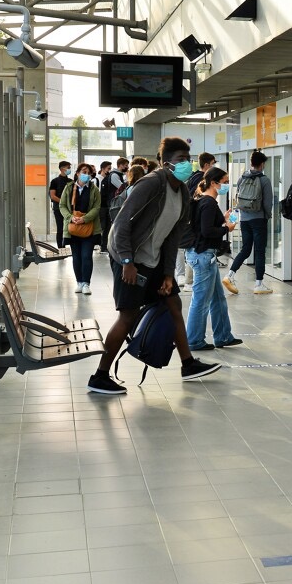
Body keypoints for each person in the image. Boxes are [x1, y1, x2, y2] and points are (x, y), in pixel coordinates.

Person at [87, 137, 221, 395]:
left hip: (154, 260)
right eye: (180, 159)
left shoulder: (181, 190)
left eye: (187, 158)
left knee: (173, 304)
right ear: (164, 162)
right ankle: (100, 376)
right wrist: (126, 261)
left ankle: (188, 364)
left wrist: (169, 273)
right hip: (130, 259)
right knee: (128, 315)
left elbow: (173, 237)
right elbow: (123, 223)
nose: (186, 163)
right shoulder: (151, 184)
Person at [185, 167, 242, 353]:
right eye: (224, 182)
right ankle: (193, 340)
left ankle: (223, 335)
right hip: (203, 256)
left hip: (202, 254)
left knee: (217, 298)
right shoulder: (208, 203)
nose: (226, 185)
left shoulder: (202, 200)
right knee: (201, 300)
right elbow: (207, 231)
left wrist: (223, 219)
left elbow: (205, 225)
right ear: (213, 183)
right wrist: (227, 228)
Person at [226, 150, 276, 296]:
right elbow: (268, 203)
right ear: (262, 164)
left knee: (246, 249)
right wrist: (267, 215)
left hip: (244, 219)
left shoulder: (242, 178)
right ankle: (259, 284)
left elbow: (237, 199)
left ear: (251, 163)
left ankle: (229, 275)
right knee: (260, 251)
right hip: (258, 219)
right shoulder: (264, 180)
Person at [176, 152, 216, 289]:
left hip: (191, 220)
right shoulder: (200, 180)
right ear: (206, 165)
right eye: (212, 164)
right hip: (196, 221)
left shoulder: (192, 177)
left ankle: (188, 280)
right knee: (194, 249)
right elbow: (196, 201)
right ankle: (189, 281)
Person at [60, 163, 101, 294]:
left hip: (89, 228)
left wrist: (85, 218)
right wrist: (70, 217)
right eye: (83, 172)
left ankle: (86, 283)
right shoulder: (69, 187)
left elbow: (96, 207)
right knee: (76, 256)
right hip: (73, 227)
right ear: (77, 173)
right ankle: (79, 282)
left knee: (86, 256)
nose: (86, 175)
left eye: (88, 173)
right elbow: (62, 206)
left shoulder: (94, 189)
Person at [100, 156, 130, 246]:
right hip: (114, 204)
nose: (126, 167)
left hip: (116, 203)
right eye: (125, 165)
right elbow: (122, 188)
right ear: (120, 165)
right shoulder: (114, 175)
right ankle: (108, 245)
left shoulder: (119, 175)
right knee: (111, 225)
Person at [47, 161, 72, 247]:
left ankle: (70, 245)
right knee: (60, 228)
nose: (69, 169)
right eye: (67, 167)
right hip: (58, 209)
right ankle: (61, 248)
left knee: (70, 228)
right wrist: (63, 202)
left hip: (69, 209)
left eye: (69, 168)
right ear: (62, 169)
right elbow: (52, 196)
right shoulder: (55, 181)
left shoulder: (70, 181)